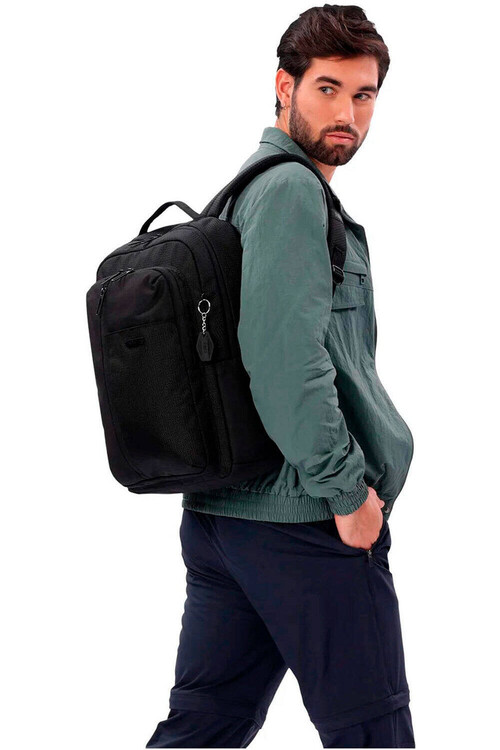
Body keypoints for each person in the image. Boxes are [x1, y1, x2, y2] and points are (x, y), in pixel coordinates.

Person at [146, 5, 415, 747]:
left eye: (364, 95)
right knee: (375, 733)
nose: (347, 115)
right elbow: (283, 360)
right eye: (327, 89)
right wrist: (346, 492)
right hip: (304, 523)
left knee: (203, 728)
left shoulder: (246, 188)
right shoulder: (291, 189)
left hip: (224, 518)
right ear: (283, 86)